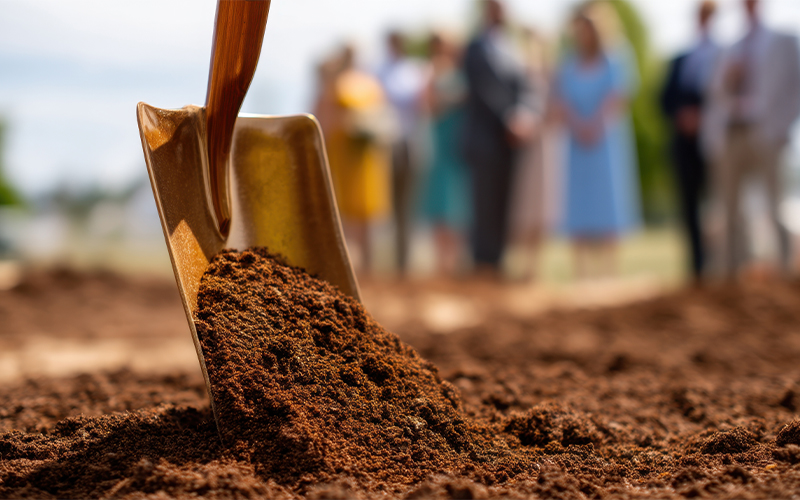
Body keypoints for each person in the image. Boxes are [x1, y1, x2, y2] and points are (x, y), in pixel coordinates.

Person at [704, 0, 800, 279]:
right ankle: (732, 278)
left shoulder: (784, 40)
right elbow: (715, 91)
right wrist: (727, 80)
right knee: (730, 211)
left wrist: (783, 126)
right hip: (734, 131)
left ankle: (786, 275)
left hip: (767, 132)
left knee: (776, 205)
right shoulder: (731, 47)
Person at [553, 8, 640, 280]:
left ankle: (609, 271)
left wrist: (596, 124)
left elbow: (619, 96)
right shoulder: (568, 63)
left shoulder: (616, 58)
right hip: (576, 142)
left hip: (607, 141)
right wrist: (578, 124)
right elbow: (561, 100)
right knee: (578, 202)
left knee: (608, 199)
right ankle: (580, 271)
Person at [462, 0, 537, 278]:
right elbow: (483, 88)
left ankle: (498, 262)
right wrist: (508, 118)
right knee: (484, 203)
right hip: (485, 139)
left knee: (505, 203)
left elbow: (527, 88)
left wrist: (525, 116)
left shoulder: (514, 48)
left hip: (511, 141)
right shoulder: (474, 48)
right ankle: (482, 264)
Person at [313, 45, 395, 274]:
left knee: (363, 212)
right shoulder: (341, 85)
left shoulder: (365, 84)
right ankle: (352, 267)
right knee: (347, 213)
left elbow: (381, 117)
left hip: (365, 157)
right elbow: (326, 122)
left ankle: (366, 267)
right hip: (346, 156)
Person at [660, 1, 720, 283]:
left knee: (718, 204)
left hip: (715, 140)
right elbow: (663, 99)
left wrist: (704, 118)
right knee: (688, 206)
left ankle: (721, 264)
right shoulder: (681, 58)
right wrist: (681, 117)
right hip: (683, 143)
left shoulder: (724, 55)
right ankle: (696, 269)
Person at [421, 32, 471, 276]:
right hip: (441, 142)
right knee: (440, 200)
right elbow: (429, 106)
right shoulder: (432, 71)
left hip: (459, 142)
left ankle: (456, 259)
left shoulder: (463, 70)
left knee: (460, 200)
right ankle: (441, 260)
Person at [377, 31, 426, 277]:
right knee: (387, 206)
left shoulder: (415, 71)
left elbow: (423, 104)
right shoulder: (379, 71)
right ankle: (383, 262)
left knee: (407, 205)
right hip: (387, 143)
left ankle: (404, 263)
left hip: (411, 142)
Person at [508, 27, 554, 282]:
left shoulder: (552, 73)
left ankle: (535, 266)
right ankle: (520, 264)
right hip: (520, 147)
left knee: (540, 205)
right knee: (521, 205)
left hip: (544, 146)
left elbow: (556, 108)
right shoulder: (517, 70)